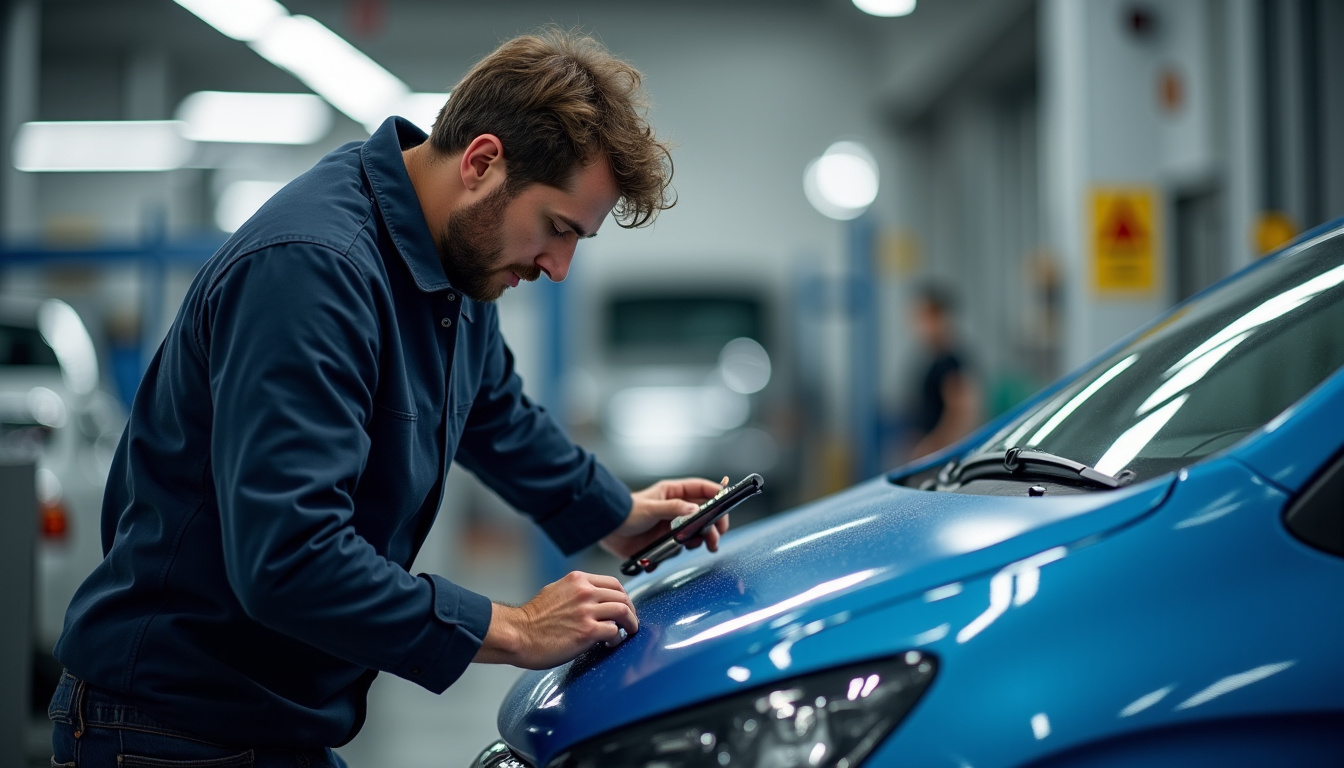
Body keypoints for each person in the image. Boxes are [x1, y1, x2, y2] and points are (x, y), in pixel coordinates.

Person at [48, 29, 729, 767]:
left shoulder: (451, 264)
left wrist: (618, 515)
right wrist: (516, 628)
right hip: (167, 732)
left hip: (276, 723)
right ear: (481, 163)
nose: (558, 266)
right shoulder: (314, 272)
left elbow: (494, 410)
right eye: (557, 229)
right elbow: (291, 556)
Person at [906, 282, 981, 459]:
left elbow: (963, 415)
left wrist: (932, 448)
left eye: (922, 318)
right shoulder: (933, 362)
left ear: (938, 318)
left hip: (941, 460)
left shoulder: (952, 363)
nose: (917, 327)